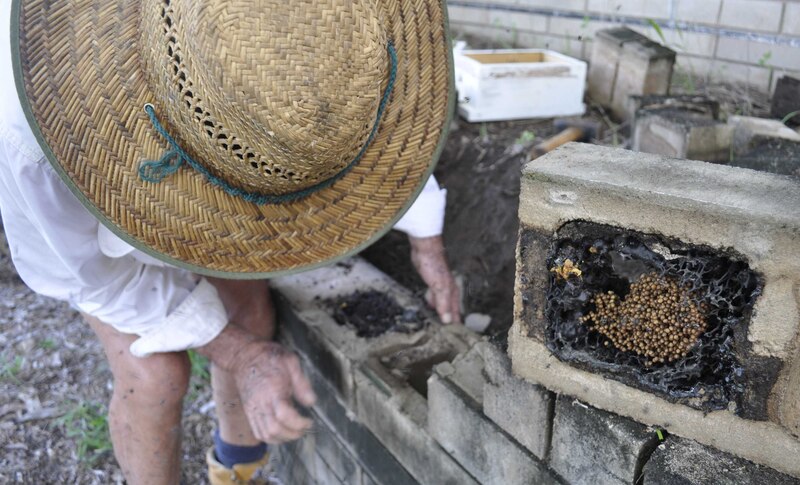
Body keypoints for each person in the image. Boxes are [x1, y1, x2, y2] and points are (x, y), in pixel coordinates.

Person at [0, 0, 459, 483]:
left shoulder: (334, 39)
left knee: (249, 306)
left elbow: (381, 123)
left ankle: (235, 471)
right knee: (156, 375)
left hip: (206, 118)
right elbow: (94, 280)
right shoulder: (38, 133)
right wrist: (241, 355)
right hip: (88, 234)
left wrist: (427, 244)